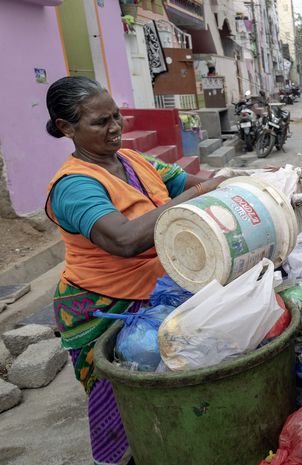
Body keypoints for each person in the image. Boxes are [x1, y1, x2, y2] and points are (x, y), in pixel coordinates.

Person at [44, 76, 225, 465]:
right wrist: (195, 197)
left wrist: (238, 185)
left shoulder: (133, 160)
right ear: (66, 128)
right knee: (124, 413)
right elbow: (124, 241)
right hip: (103, 307)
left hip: (157, 295)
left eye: (116, 117)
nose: (114, 129)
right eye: (100, 122)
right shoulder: (74, 186)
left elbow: (190, 183)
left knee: (169, 401)